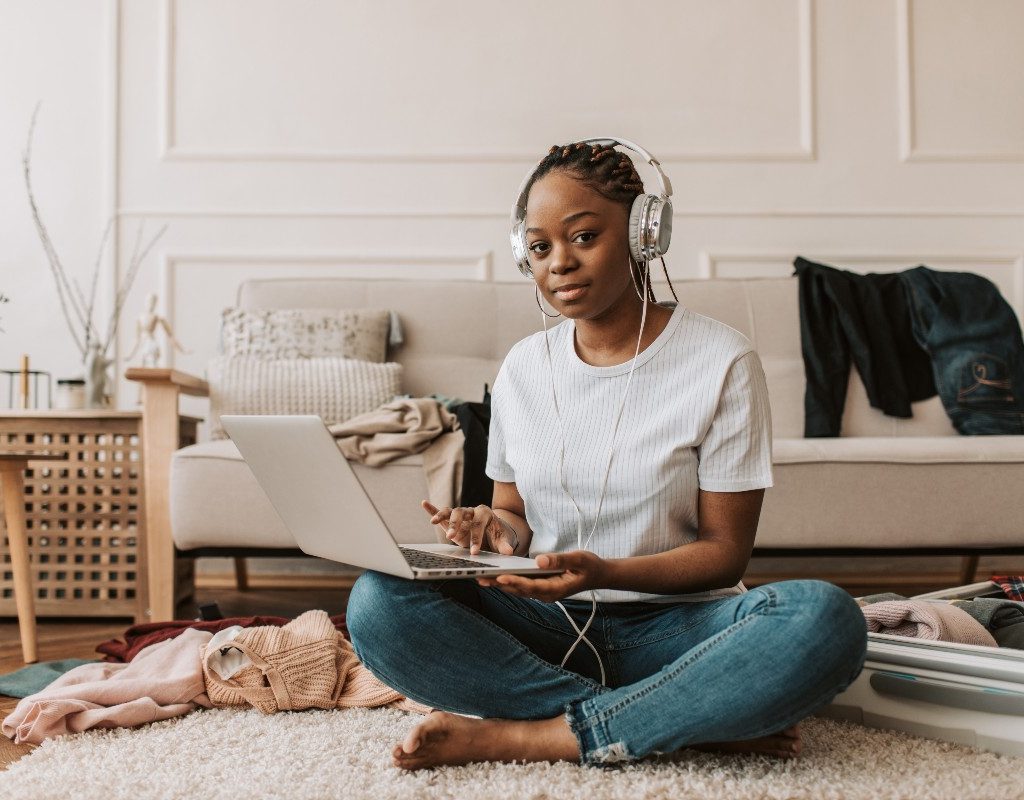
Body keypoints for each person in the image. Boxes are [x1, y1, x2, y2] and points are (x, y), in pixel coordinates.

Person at [346, 139, 868, 770]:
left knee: (823, 618)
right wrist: (488, 530)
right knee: (378, 599)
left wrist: (605, 572)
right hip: (548, 624)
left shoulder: (721, 361)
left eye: (584, 236)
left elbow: (723, 554)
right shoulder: (522, 368)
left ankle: (534, 736)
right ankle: (678, 719)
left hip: (678, 631)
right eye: (539, 247)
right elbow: (514, 517)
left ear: (644, 235)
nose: (559, 262)